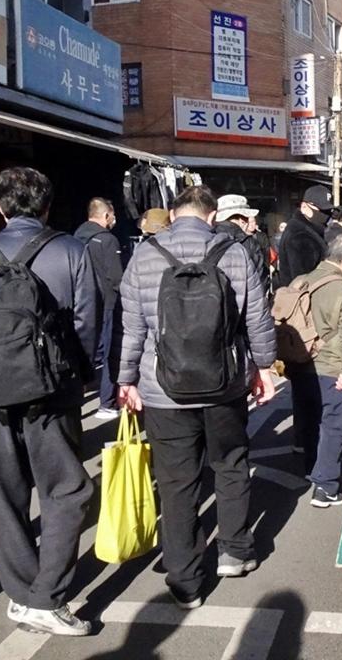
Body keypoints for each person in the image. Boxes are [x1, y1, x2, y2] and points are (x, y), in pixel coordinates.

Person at [115, 185, 277, 609]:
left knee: (176, 482)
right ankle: (235, 552)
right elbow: (256, 318)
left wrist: (126, 378)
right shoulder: (234, 252)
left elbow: (132, 328)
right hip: (225, 384)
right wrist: (264, 368)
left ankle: (185, 580)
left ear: (172, 214)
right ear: (211, 216)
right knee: (230, 465)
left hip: (162, 388)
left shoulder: (145, 255)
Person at [0, 167, 98, 637]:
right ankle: (46, 596)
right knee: (66, 490)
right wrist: (78, 379)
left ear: (0, 207)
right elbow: (85, 326)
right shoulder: (71, 250)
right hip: (52, 393)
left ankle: (21, 593)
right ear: (46, 205)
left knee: (1, 496)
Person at [289, 235, 342, 507]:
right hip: (331, 365)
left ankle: (312, 469)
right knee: (333, 425)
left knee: (309, 419)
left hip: (299, 362)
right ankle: (326, 487)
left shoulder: (300, 281)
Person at [74, 197, 124, 420]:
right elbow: (117, 278)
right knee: (109, 354)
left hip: (83, 304)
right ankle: (107, 402)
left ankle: (80, 394)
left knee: (86, 351)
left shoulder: (75, 238)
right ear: (106, 215)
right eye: (112, 216)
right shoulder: (107, 240)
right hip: (107, 304)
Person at [276, 185, 331, 288]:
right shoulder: (300, 236)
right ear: (304, 207)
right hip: (305, 299)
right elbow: (301, 280)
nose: (325, 215)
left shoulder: (311, 229)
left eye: (327, 211)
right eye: (320, 210)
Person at [215, 194, 270, 295]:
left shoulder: (208, 238)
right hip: (245, 305)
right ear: (242, 221)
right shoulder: (249, 244)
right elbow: (260, 281)